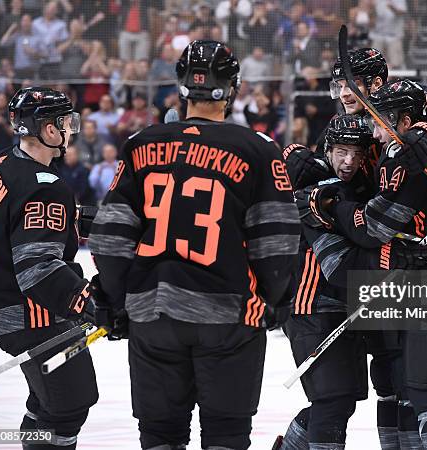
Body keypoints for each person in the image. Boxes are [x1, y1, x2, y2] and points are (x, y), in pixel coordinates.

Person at [88, 40, 300, 450]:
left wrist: (116, 302)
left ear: (181, 87)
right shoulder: (258, 149)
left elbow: (110, 235)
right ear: (233, 87)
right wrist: (276, 299)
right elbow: (276, 240)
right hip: (228, 315)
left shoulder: (141, 144)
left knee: (160, 435)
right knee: (225, 435)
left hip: (153, 314)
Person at [300, 79, 427, 449]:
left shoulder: (403, 155)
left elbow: (374, 227)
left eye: (380, 123)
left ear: (403, 121)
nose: (375, 134)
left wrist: (330, 206)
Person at [0, 87, 100, 449]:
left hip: (2, 302)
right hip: (32, 317)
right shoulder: (46, 187)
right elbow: (38, 269)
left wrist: (81, 218)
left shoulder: (3, 163)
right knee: (70, 402)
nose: (70, 128)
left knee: (48, 400)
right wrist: (89, 301)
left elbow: (15, 221)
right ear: (49, 130)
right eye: (66, 121)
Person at [276, 115, 376, 450]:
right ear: (329, 149)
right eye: (342, 151)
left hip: (340, 308)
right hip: (311, 307)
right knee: (331, 402)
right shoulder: (317, 187)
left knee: (340, 401)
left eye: (357, 154)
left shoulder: (354, 184)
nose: (349, 161)